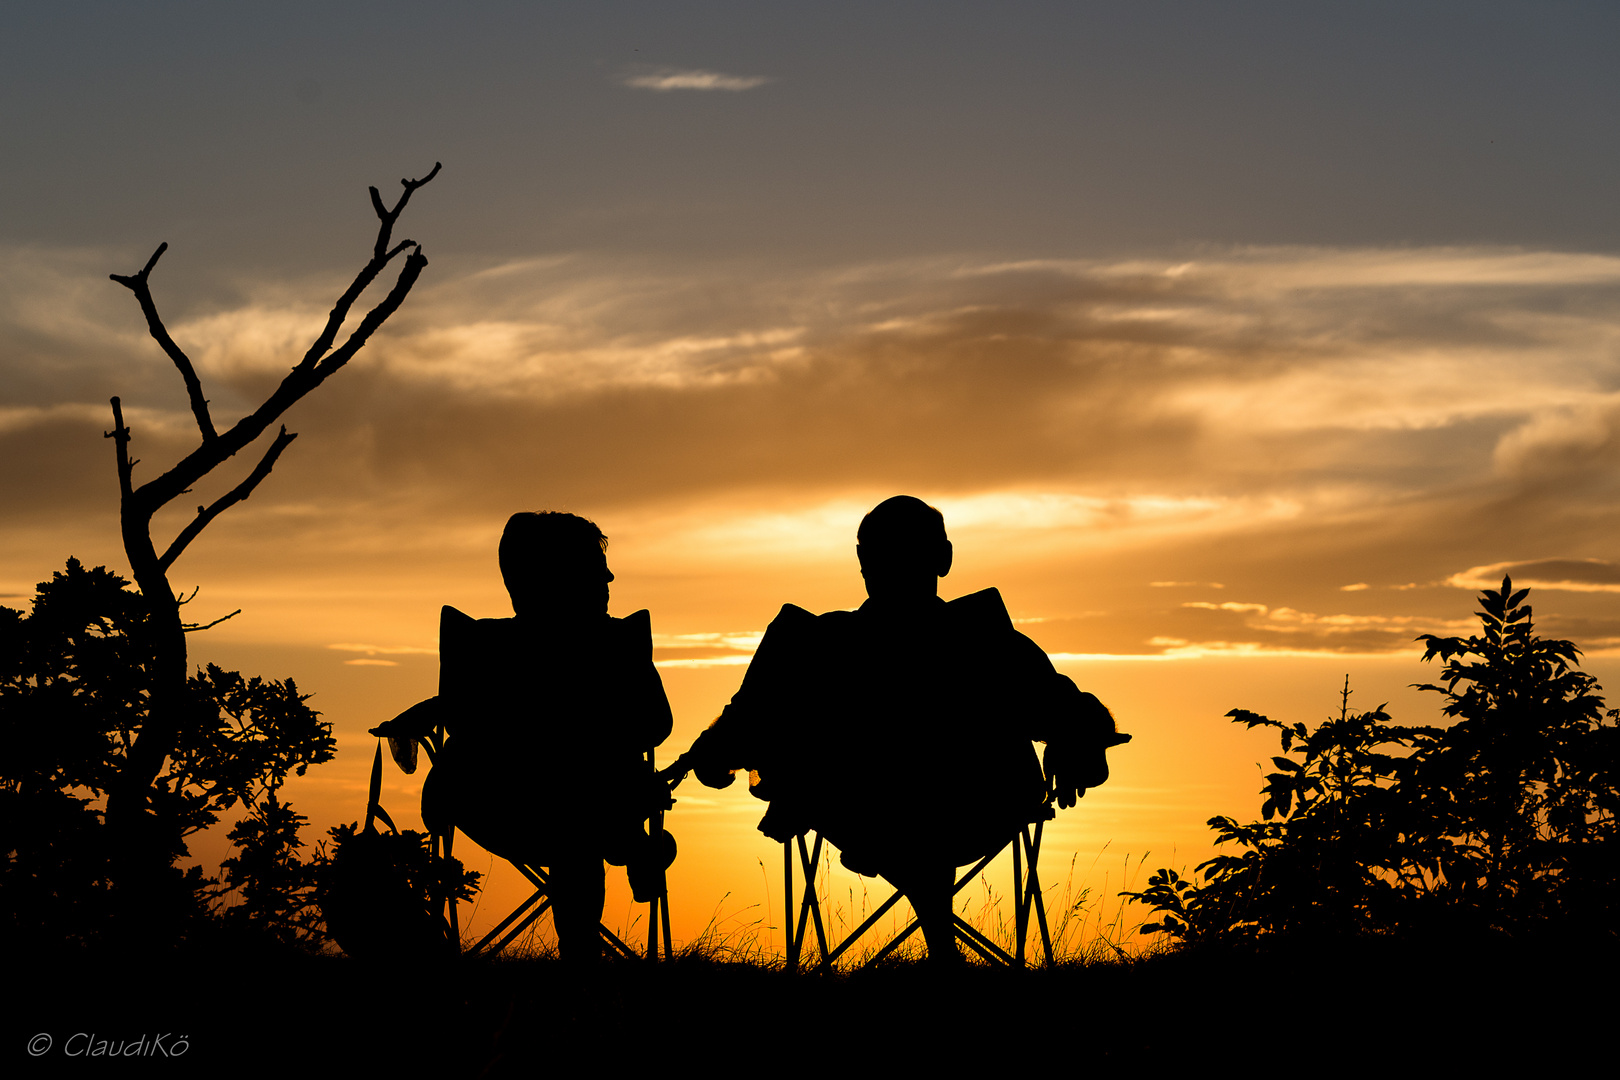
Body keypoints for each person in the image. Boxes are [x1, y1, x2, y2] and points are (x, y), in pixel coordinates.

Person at [679, 496, 1126, 961]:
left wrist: (716, 753)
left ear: (861, 561)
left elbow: (738, 730)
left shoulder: (812, 643)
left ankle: (940, 948)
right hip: (971, 811)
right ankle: (941, 949)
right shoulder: (988, 639)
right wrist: (1076, 744)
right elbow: (1075, 715)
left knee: (908, 804)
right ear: (945, 558)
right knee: (920, 808)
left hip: (861, 815)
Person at [420, 511, 675, 961]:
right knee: (577, 820)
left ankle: (628, 851)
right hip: (572, 806)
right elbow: (656, 726)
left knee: (576, 817)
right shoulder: (616, 645)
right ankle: (628, 858)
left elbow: (456, 719)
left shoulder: (480, 645)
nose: (609, 578)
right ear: (564, 576)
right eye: (598, 568)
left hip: (492, 805)